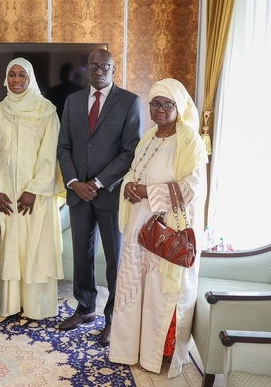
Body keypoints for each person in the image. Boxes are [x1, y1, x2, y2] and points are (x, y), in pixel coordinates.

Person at [108, 78, 207, 377]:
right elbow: (133, 173)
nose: (161, 109)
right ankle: (132, 349)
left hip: (167, 231)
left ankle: (158, 355)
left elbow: (193, 187)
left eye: (167, 104)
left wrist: (148, 192)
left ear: (179, 108)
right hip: (141, 228)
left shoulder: (190, 140)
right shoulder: (149, 137)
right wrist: (128, 186)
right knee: (137, 290)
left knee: (160, 294)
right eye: (155, 103)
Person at [56, 48, 142, 345]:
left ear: (113, 69)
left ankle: (113, 319)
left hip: (111, 194)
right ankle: (85, 308)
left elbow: (130, 151)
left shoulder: (130, 102)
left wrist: (99, 181)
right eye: (93, 65)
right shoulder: (72, 101)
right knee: (82, 254)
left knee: (115, 258)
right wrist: (75, 182)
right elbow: (64, 147)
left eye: (105, 66)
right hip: (79, 194)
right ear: (87, 69)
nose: (98, 70)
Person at [0, 57, 64, 322]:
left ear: (31, 79)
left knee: (34, 248)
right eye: (12, 75)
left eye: (22, 76)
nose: (16, 80)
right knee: (10, 248)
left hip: (35, 198)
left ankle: (35, 308)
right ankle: (9, 306)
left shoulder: (46, 110)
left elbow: (50, 153)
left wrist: (34, 189)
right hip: (5, 196)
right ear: (6, 79)